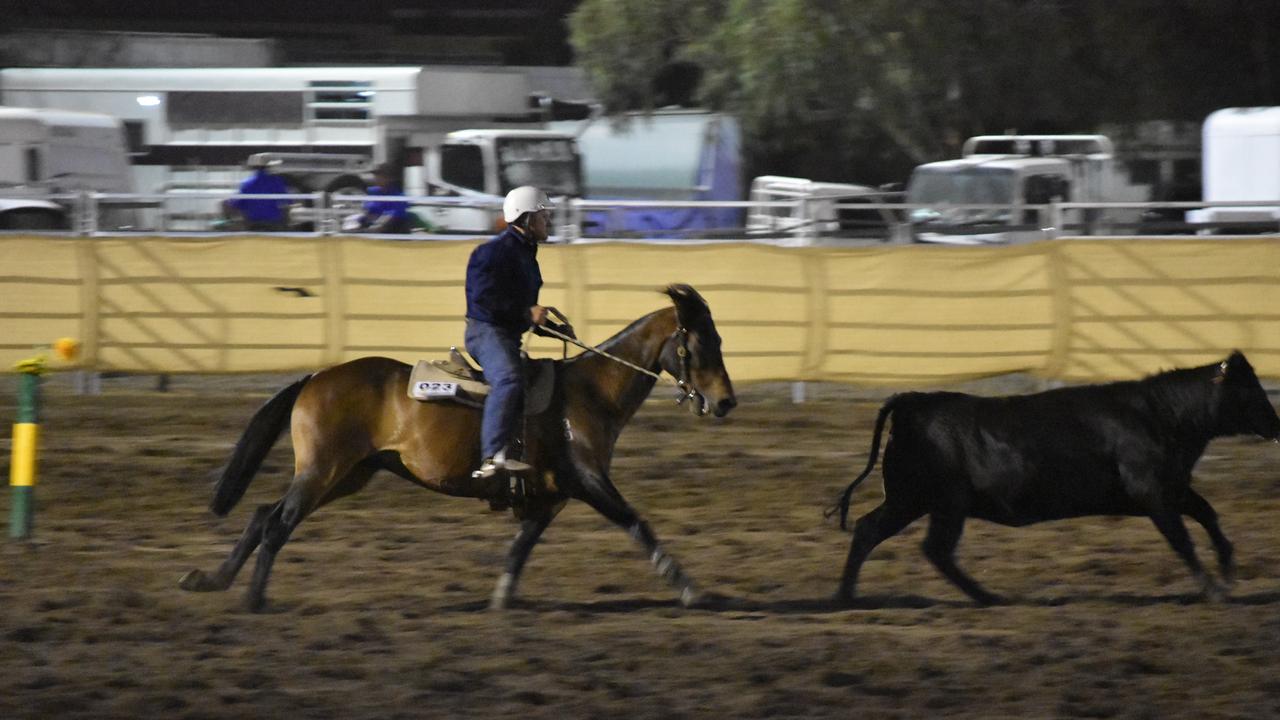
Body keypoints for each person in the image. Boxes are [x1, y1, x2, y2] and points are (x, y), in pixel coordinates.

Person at [463, 185, 557, 499]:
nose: (548, 221)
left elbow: (520, 311)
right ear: (526, 219)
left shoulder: (527, 255)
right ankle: (491, 459)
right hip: (485, 332)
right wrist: (525, 312)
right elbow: (483, 300)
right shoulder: (492, 253)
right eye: (543, 216)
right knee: (508, 378)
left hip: (505, 333)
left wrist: (547, 327)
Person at [226, 154, 289, 231]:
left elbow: (237, 204)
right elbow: (286, 201)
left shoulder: (246, 183)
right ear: (268, 167)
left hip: (254, 223)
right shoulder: (276, 181)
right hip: (273, 223)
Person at [358, 163, 413, 234]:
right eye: (376, 175)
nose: (377, 178)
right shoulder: (372, 192)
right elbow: (366, 214)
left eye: (382, 176)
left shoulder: (399, 198)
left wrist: (369, 230)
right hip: (372, 229)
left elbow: (387, 219)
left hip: (392, 235)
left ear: (391, 178)